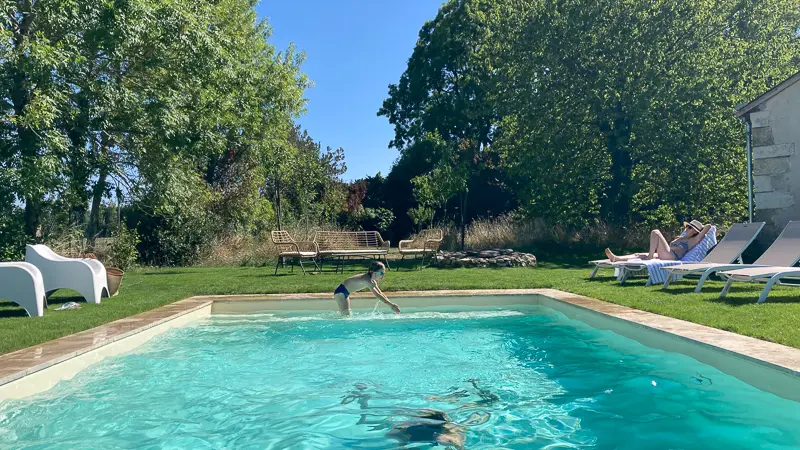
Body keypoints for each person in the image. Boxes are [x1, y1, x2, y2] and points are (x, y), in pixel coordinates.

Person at [604, 220, 712, 262]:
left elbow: (709, 226)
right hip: (667, 253)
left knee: (655, 232)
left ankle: (650, 257)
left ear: (695, 232)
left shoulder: (692, 241)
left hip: (672, 255)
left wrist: (700, 228)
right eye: (687, 226)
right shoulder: (681, 238)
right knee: (639, 254)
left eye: (690, 228)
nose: (687, 228)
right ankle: (616, 258)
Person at [333, 261, 400, 316]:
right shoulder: (366, 280)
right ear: (373, 272)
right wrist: (391, 305)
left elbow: (381, 293)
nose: (383, 276)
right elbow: (377, 295)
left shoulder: (372, 281)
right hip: (340, 292)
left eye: (384, 273)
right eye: (381, 273)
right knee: (346, 315)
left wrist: (392, 305)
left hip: (345, 293)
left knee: (347, 314)